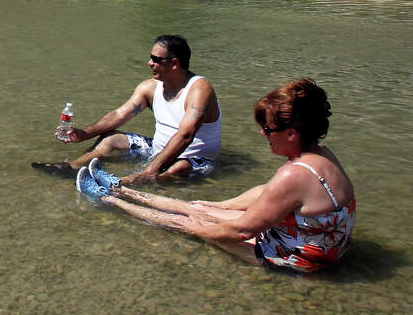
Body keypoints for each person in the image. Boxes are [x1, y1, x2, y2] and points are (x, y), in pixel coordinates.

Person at [83, 78, 355, 273]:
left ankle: (109, 199)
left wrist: (198, 228)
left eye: (268, 129)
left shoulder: (293, 174)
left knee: (187, 221)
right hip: (319, 244)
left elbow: (241, 230)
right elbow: (266, 192)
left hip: (296, 258)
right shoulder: (322, 155)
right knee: (201, 208)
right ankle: (122, 189)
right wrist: (215, 207)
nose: (263, 134)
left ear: (291, 134)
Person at [32, 34, 221, 182]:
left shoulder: (198, 89)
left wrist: (149, 170)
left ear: (174, 64)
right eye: (150, 58)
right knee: (110, 138)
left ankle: (126, 183)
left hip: (194, 159)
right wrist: (84, 134)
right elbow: (120, 115)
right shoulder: (150, 87)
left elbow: (185, 135)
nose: (150, 63)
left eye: (156, 59)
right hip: (157, 149)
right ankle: (72, 168)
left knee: (180, 168)